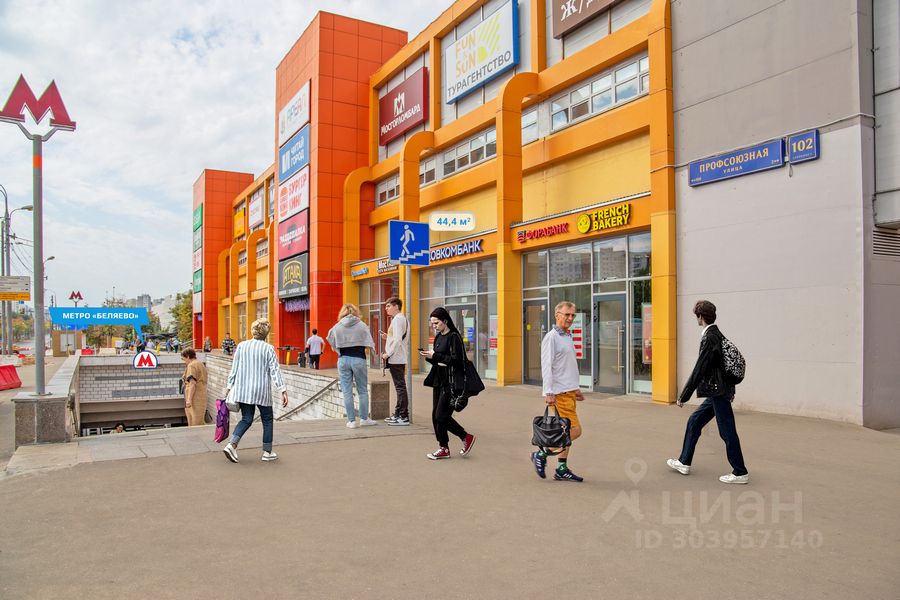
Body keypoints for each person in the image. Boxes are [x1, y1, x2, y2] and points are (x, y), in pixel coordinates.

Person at [667, 300, 749, 484]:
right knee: (694, 421)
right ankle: (684, 462)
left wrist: (684, 395)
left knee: (727, 431)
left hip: (718, 392)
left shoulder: (710, 338)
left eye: (696, 316)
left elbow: (700, 368)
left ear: (700, 317)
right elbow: (724, 366)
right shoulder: (717, 335)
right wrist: (731, 389)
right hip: (718, 391)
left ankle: (740, 472)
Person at [532, 301, 584, 482]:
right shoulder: (552, 337)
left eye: (573, 315)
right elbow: (547, 366)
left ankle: (562, 468)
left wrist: (576, 388)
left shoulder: (567, 336)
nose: (570, 318)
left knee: (565, 431)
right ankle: (541, 455)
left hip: (569, 391)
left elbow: (567, 365)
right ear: (557, 315)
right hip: (559, 393)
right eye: (567, 314)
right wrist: (548, 392)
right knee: (575, 431)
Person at [222, 319, 288, 463]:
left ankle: (231, 445)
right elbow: (275, 371)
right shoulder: (268, 348)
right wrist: (282, 390)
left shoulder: (241, 346)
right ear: (266, 333)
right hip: (261, 391)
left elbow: (234, 368)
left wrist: (228, 387)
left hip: (244, 390)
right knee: (267, 419)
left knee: (246, 418)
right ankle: (267, 452)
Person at [421, 307, 475, 460]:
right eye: (432, 323)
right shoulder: (438, 337)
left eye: (436, 323)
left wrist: (436, 356)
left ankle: (465, 437)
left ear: (445, 321)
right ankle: (443, 447)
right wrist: (429, 357)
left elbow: (457, 361)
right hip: (439, 380)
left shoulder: (454, 337)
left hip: (451, 382)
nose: (434, 326)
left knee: (441, 416)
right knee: (435, 415)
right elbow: (438, 360)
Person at [326, 304, 376, 429]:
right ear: (356, 312)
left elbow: (329, 337)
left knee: (347, 391)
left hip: (343, 359)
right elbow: (369, 341)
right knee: (362, 390)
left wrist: (337, 348)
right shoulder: (362, 325)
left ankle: (351, 421)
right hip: (359, 359)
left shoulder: (337, 326)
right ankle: (364, 419)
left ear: (342, 313)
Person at [381, 297, 409, 426]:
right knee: (400, 387)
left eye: (388, 306)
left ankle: (403, 416)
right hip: (398, 357)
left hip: (396, 358)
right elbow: (398, 338)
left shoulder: (398, 319)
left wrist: (388, 354)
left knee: (400, 387)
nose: (386, 308)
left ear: (396, 306)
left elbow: (398, 340)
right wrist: (388, 337)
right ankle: (398, 414)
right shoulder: (401, 319)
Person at [180, 348, 208, 426]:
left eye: (184, 359)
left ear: (188, 356)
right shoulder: (200, 363)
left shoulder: (191, 365)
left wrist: (189, 400)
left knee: (195, 422)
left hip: (195, 397)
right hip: (201, 394)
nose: (184, 361)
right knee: (199, 420)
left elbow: (192, 383)